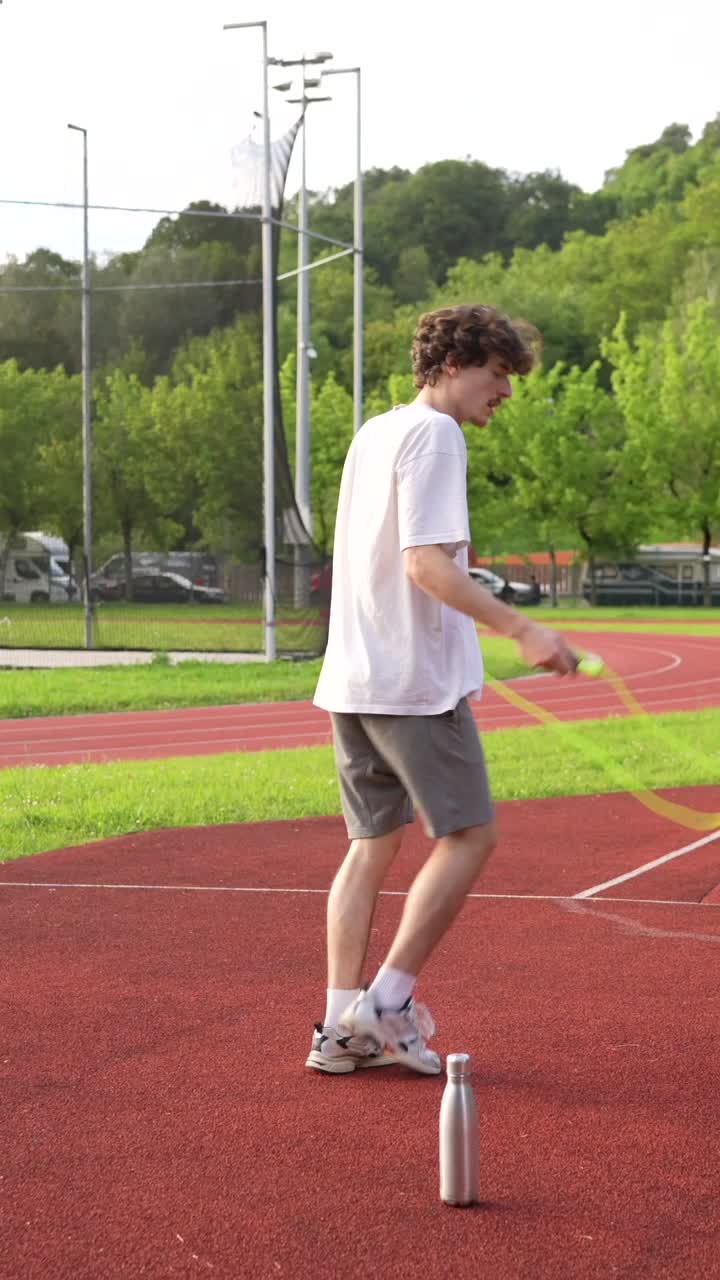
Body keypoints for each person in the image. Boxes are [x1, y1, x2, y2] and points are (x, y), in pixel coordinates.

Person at [306, 303, 576, 1077]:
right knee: (471, 837)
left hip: (356, 678)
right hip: (411, 686)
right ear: (454, 364)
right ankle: (388, 1004)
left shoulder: (376, 430)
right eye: (499, 376)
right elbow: (426, 564)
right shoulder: (435, 434)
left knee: (371, 848)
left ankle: (340, 1028)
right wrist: (523, 630)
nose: (506, 393)